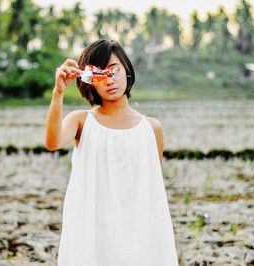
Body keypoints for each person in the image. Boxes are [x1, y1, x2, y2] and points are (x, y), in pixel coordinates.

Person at [44, 39, 178, 266]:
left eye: (114, 70)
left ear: (127, 69)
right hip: (93, 232)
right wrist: (58, 93)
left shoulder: (152, 129)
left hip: (139, 236)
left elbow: (150, 189)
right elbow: (53, 141)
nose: (110, 80)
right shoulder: (81, 121)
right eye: (100, 75)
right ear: (89, 81)